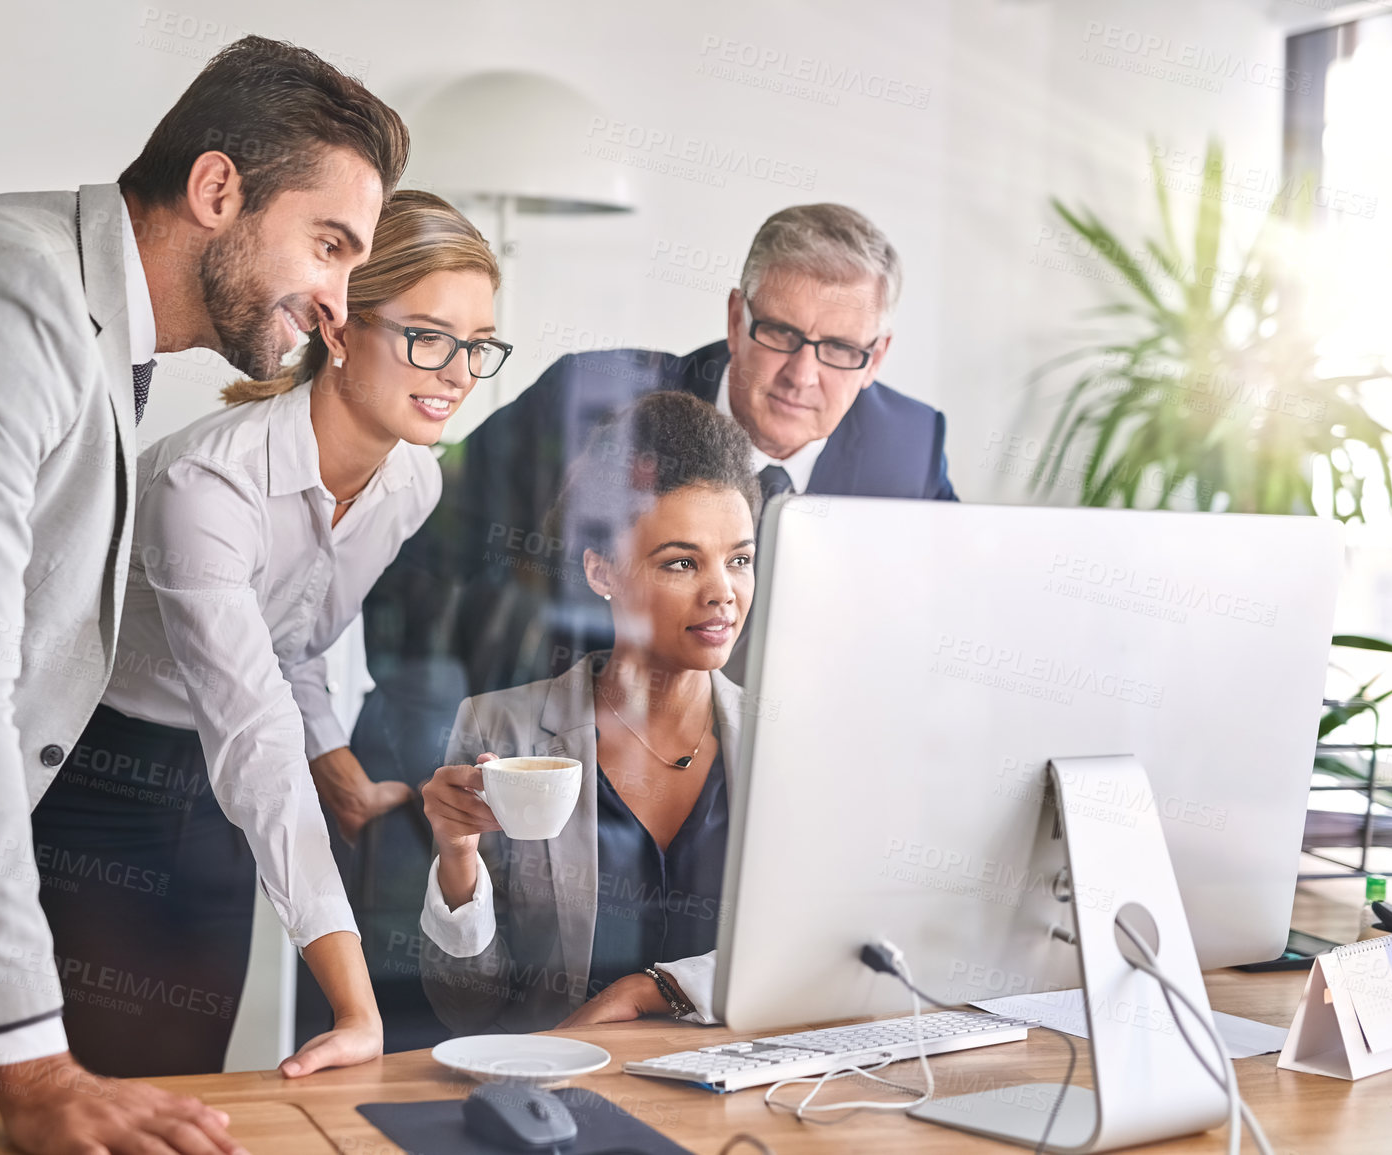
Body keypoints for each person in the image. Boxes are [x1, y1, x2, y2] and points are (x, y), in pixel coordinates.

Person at [0, 34, 406, 1155]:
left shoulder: (82, 313)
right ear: (215, 189)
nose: (340, 304)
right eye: (329, 245)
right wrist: (40, 1070)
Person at [348, 204, 953, 1040]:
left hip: (735, 835)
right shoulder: (590, 400)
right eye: (779, 334)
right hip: (524, 797)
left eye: (841, 350)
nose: (801, 375)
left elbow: (937, 651)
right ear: (735, 316)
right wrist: (433, 772)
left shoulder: (909, 450)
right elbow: (412, 566)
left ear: (875, 355)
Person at [31, 189, 508, 1077]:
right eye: (430, 337)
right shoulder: (206, 488)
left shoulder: (411, 484)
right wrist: (359, 1010)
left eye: (478, 346)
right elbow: (252, 734)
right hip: (100, 783)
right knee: (98, 1094)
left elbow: (289, 644)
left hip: (212, 804)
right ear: (338, 328)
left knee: (189, 1072)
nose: (457, 373)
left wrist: (341, 768)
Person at [418, 391, 758, 1032]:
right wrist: (457, 859)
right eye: (682, 562)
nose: (723, 593)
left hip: (741, 1096)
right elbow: (465, 1006)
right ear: (601, 569)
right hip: (565, 1091)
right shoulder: (501, 730)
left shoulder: (783, 743)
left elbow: (808, 957)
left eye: (739, 559)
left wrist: (650, 990)